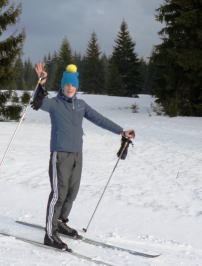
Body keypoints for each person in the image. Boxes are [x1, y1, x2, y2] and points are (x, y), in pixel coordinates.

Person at [30, 63, 135, 250]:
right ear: (62, 86)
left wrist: (121, 131)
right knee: (58, 193)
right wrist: (41, 82)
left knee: (72, 190)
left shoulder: (81, 105)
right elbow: (37, 102)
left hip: (77, 153)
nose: (70, 88)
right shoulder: (54, 103)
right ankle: (49, 234)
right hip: (59, 154)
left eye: (73, 85)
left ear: (76, 87)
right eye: (67, 85)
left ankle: (60, 222)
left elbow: (99, 119)